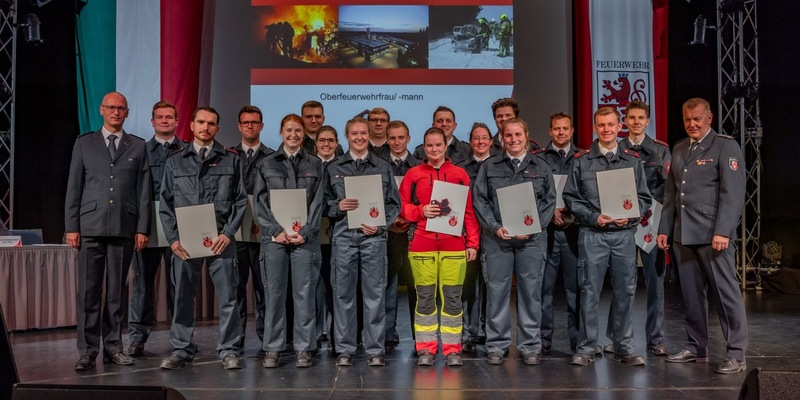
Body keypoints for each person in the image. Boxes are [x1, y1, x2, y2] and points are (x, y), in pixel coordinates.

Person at [657, 98, 748, 374]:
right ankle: (696, 345)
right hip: (684, 234)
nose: (692, 124)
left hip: (713, 235)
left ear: (709, 118)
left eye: (697, 119)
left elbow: (732, 194)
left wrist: (723, 230)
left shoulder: (725, 145)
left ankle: (736, 352)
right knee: (692, 296)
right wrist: (664, 229)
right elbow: (671, 195)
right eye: (687, 120)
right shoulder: (680, 148)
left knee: (725, 294)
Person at [65, 91, 151, 371]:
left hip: (123, 228)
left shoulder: (137, 146)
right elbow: (74, 188)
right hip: (89, 227)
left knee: (116, 293)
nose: (116, 112)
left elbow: (144, 191)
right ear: (101, 110)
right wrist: (71, 226)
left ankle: (113, 347)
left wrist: (141, 228)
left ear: (127, 113)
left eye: (121, 108)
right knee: (88, 292)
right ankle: (87, 350)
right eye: (111, 108)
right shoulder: (83, 143)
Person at [158, 107, 247, 370]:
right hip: (186, 243)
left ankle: (229, 349)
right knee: (183, 297)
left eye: (211, 124)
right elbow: (165, 203)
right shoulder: (175, 160)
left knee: (229, 297)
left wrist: (228, 233)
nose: (206, 127)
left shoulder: (231, 159)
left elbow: (240, 202)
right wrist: (173, 239)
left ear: (217, 129)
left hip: (221, 241)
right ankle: (182, 350)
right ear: (191, 126)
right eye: (201, 122)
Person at [562, 107, 651, 367]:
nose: (607, 129)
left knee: (626, 290)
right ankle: (587, 347)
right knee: (589, 291)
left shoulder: (632, 160)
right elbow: (571, 197)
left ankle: (624, 346)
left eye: (611, 124)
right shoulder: (581, 160)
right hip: (593, 234)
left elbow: (644, 198)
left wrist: (631, 216)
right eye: (601, 125)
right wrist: (593, 217)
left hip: (623, 235)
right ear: (595, 127)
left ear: (619, 125)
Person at [473, 118, 556, 365]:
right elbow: (480, 201)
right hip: (497, 240)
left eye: (518, 134)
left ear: (527, 135)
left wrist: (532, 228)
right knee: (497, 293)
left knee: (531, 293)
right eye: (508, 135)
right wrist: (495, 227)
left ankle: (530, 345)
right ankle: (497, 345)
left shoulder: (541, 167)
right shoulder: (489, 167)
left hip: (531, 241)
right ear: (502, 138)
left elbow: (549, 203)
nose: (513, 139)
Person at [324, 117, 400, 367]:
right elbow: (323, 204)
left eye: (363, 133)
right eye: (354, 133)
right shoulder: (334, 167)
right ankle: (345, 349)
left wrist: (381, 226)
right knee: (343, 296)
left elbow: (394, 204)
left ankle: (375, 349)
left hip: (373, 239)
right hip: (344, 238)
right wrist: (338, 206)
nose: (359, 137)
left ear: (369, 135)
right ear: (346, 137)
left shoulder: (383, 166)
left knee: (374, 296)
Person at [400, 127, 480, 367]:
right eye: (429, 146)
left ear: (446, 146)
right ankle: (425, 349)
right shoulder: (413, 174)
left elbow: (468, 211)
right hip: (422, 245)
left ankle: (453, 349)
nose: (434, 150)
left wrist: (473, 242)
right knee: (424, 299)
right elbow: (401, 206)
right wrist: (420, 211)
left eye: (438, 145)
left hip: (454, 246)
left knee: (453, 299)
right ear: (423, 147)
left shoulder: (459, 174)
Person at [254, 114, 325, 368]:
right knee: (274, 293)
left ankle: (304, 347)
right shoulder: (266, 163)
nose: (293, 135)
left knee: (304, 293)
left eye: (298, 130)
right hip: (275, 240)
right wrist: (275, 230)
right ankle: (273, 347)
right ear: (281, 132)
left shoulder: (316, 164)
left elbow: (318, 203)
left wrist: (305, 231)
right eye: (289, 130)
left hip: (305, 240)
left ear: (304, 133)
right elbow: (259, 202)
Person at [602, 100, 671, 356]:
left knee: (655, 284)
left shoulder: (660, 151)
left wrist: (654, 215)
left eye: (640, 118)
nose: (636, 122)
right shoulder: (616, 149)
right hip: (623, 225)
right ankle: (616, 336)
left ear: (647, 120)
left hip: (651, 224)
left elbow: (669, 188)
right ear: (624, 122)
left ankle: (655, 339)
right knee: (622, 284)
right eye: (631, 118)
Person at [127, 101, 185, 358]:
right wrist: (139, 227)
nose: (164, 121)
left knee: (179, 286)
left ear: (176, 121)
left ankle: (181, 339)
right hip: (148, 227)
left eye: (169, 117)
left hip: (180, 228)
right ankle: (137, 338)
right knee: (142, 286)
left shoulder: (186, 150)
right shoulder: (141, 150)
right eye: (159, 117)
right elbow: (135, 191)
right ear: (152, 122)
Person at [230, 105, 274, 352]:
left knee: (264, 289)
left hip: (264, 232)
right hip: (235, 233)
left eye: (255, 122)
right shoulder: (228, 155)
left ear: (261, 126)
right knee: (235, 290)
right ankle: (235, 342)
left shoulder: (271, 157)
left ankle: (267, 341)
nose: (250, 126)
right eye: (246, 122)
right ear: (239, 126)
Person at [540, 112, 582, 354]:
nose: (561, 132)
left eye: (565, 128)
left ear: (572, 130)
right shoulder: (540, 159)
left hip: (574, 232)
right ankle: (544, 340)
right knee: (543, 289)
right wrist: (551, 213)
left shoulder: (583, 158)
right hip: (546, 232)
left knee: (575, 289)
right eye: (556, 129)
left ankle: (577, 341)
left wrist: (571, 213)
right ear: (550, 131)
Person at [384, 120, 421, 351]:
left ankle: (421, 338)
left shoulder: (419, 166)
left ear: (408, 138)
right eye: (393, 138)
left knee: (418, 287)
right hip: (387, 234)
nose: (397, 142)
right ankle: (387, 335)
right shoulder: (377, 165)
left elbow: (426, 200)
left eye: (401, 137)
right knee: (387, 286)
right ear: (387, 140)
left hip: (414, 233)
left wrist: (409, 217)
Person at [456, 122, 493, 352]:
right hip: (467, 233)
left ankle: (489, 332)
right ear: (471, 142)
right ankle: (468, 333)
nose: (480, 142)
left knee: (491, 287)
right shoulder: (461, 169)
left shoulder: (500, 166)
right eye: (476, 138)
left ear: (491, 141)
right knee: (468, 287)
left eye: (484, 138)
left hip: (493, 233)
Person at [314, 126, 339, 348]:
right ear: (316, 143)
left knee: (334, 286)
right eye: (322, 140)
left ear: (337, 143)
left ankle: (333, 334)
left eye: (330, 140)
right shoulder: (309, 165)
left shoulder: (342, 166)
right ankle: (315, 333)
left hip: (334, 234)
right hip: (311, 234)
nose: (326, 144)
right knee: (313, 286)